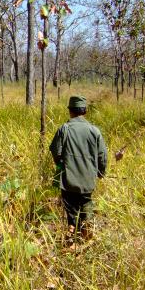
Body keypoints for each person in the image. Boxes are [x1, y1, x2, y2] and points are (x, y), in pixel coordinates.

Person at [50, 95, 107, 242]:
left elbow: (56, 151)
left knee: (70, 206)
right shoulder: (95, 131)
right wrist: (101, 172)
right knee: (86, 201)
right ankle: (86, 234)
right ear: (85, 111)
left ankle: (72, 236)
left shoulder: (65, 129)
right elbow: (102, 156)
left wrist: (60, 164)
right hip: (88, 178)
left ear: (70, 111)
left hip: (68, 179)